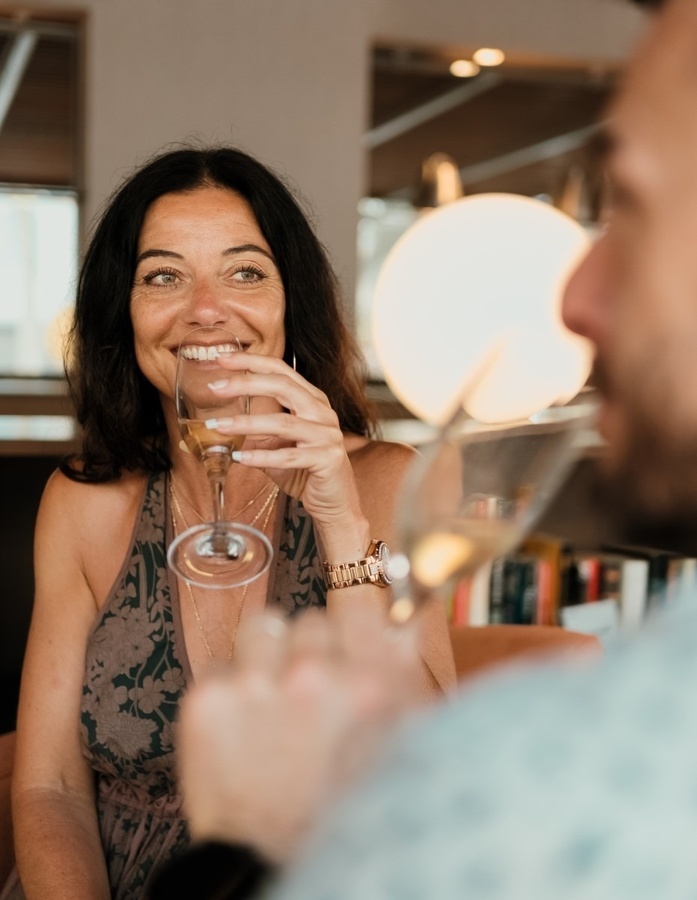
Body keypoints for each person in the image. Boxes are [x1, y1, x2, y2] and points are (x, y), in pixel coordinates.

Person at [168, 0, 697, 897]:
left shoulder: (597, 775)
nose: (571, 298)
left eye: (635, 208)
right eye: (164, 276)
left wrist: (256, 847)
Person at [5, 146, 455, 900]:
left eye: (244, 271)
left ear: (291, 302)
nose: (205, 308)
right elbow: (49, 786)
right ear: (125, 308)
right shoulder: (84, 502)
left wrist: (339, 519)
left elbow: (424, 763)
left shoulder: (386, 482)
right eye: (163, 276)